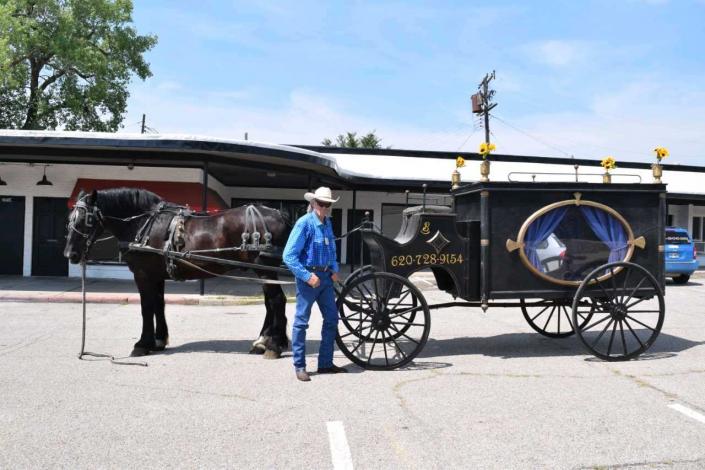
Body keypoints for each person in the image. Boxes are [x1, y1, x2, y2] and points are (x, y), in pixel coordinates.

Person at [283, 187, 348, 382]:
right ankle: (300, 366)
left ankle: (325, 364)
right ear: (313, 203)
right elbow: (289, 256)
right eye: (320, 203)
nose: (324, 207)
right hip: (308, 280)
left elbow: (332, 250)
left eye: (327, 204)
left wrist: (334, 268)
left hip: (326, 278)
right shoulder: (304, 224)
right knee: (301, 322)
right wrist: (306, 276)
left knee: (331, 320)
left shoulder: (328, 223)